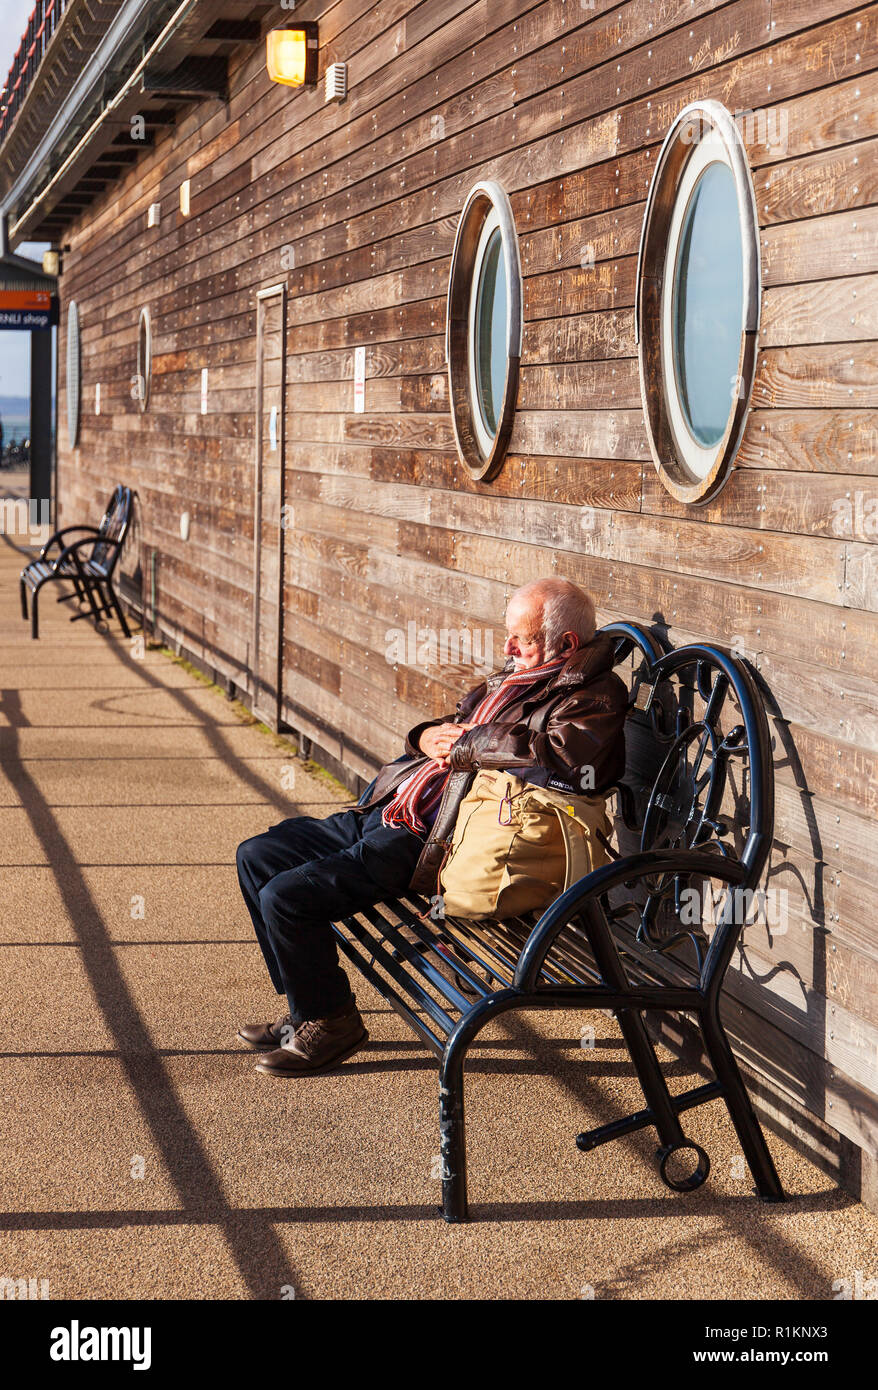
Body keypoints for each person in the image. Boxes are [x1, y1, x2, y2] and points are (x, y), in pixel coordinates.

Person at [236, 577, 628, 1076]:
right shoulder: (515, 676)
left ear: (566, 644)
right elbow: (456, 723)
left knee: (287, 897)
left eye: (521, 638)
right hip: (393, 807)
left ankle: (332, 1022)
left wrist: (468, 744)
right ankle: (304, 1007)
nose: (507, 647)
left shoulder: (593, 695)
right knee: (257, 855)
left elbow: (559, 756)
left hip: (435, 839)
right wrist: (425, 736)